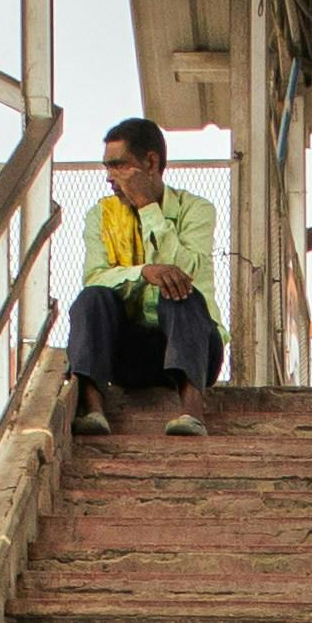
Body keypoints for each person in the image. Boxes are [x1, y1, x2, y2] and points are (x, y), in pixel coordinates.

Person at [70, 113, 220, 437]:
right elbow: (95, 276)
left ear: (151, 162)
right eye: (107, 167)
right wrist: (143, 273)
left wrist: (146, 207)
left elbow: (187, 269)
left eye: (119, 165)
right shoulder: (100, 215)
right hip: (129, 354)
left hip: (194, 347)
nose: (110, 178)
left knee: (179, 290)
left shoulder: (196, 209)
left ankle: (192, 412)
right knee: (92, 297)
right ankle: (92, 411)